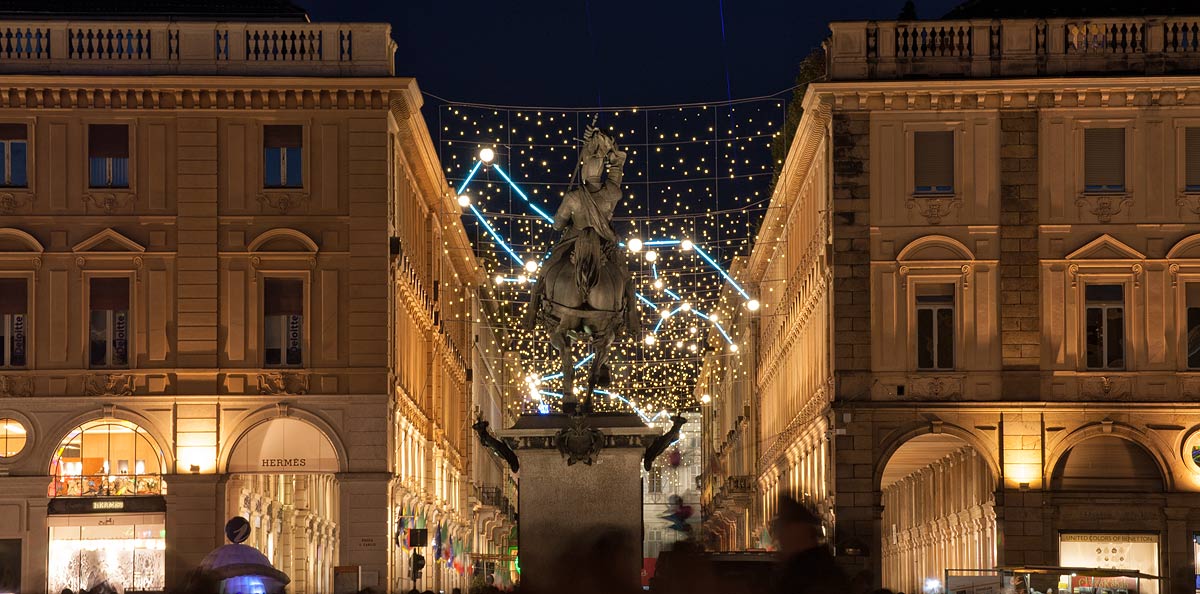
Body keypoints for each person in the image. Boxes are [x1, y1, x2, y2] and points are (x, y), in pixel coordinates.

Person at [770, 495, 851, 594]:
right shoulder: (799, 570)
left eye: (783, 530)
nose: (780, 538)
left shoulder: (813, 577)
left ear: (798, 532)